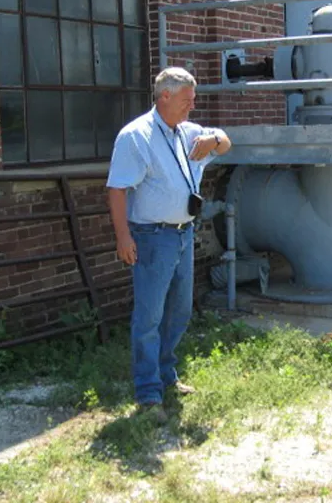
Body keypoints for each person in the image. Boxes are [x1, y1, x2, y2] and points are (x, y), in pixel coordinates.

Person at [106, 66, 232, 421]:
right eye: (187, 101)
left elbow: (226, 140)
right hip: (152, 236)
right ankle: (148, 393)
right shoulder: (136, 136)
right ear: (165, 96)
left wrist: (215, 140)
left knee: (179, 310)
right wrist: (123, 237)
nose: (192, 107)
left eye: (193, 101)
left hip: (183, 233)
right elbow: (116, 190)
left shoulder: (188, 133)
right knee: (149, 315)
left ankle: (166, 374)